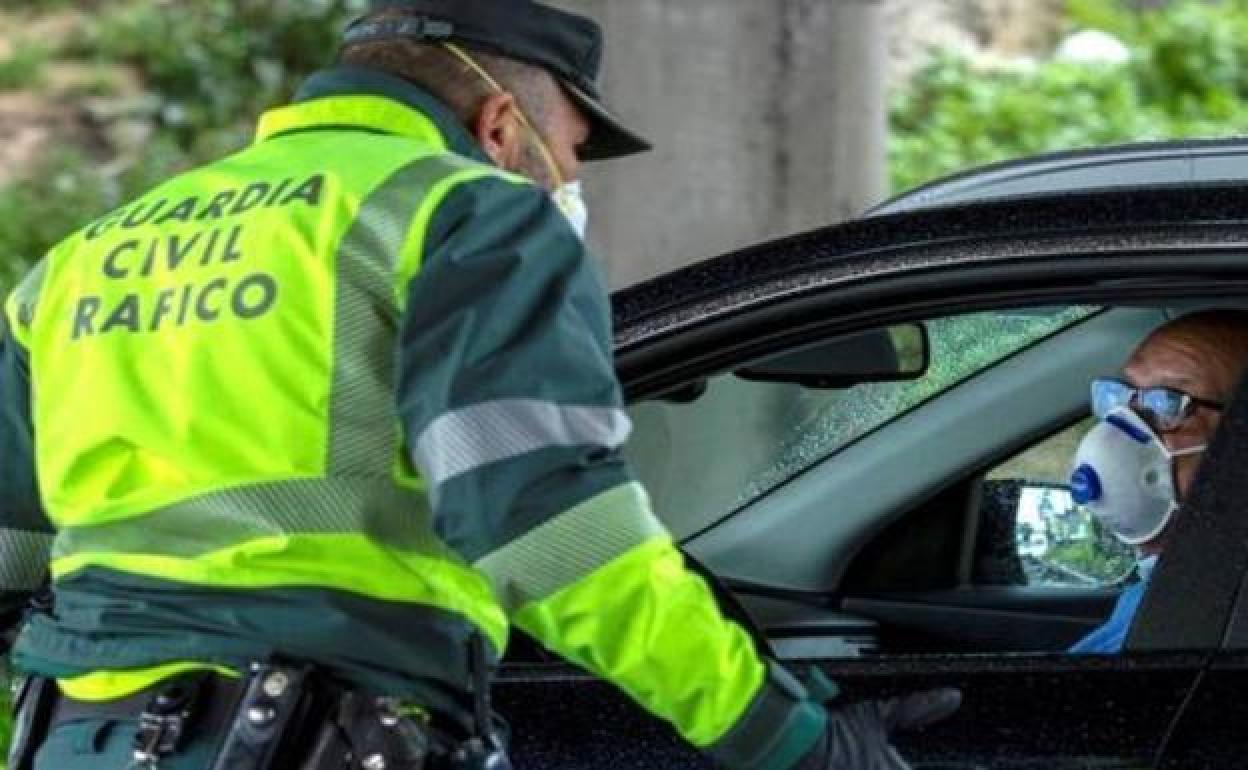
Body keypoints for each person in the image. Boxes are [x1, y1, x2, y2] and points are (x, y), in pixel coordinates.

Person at [0, 1, 960, 768]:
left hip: (80, 734)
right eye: (574, 153)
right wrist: (786, 737)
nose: (568, 183)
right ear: (502, 124)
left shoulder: (90, 254)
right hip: (312, 726)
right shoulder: (468, 215)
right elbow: (542, 529)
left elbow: (11, 556)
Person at [1069, 309, 1248, 654]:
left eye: (1166, 403)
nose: (1122, 430)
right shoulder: (1170, 587)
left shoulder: (1217, 618)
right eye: (1118, 397)